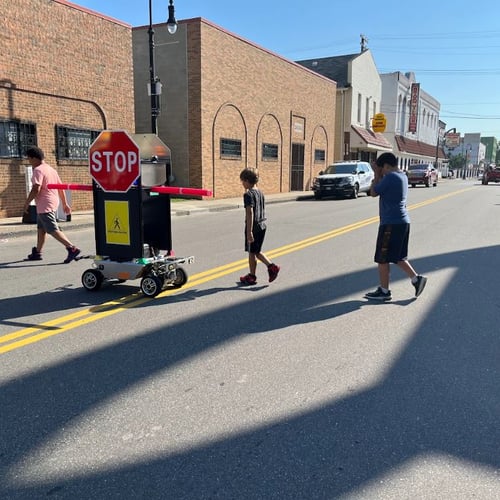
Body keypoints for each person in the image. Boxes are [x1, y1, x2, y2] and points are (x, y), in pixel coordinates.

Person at [365, 152, 427, 301]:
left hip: (390, 223)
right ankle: (416, 279)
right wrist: (380, 173)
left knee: (382, 258)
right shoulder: (403, 176)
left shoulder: (391, 177)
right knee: (398, 257)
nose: (381, 172)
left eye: (382, 169)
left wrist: (376, 174)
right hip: (402, 222)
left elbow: (373, 192)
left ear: (386, 166)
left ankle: (384, 291)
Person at [23, 146, 81, 263]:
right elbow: (61, 188)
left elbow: (35, 189)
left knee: (52, 229)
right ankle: (38, 252)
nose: (29, 162)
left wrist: (27, 203)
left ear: (34, 158)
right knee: (41, 229)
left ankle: (71, 248)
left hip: (45, 204)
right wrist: (64, 203)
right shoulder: (51, 169)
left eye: (29, 159)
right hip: (50, 202)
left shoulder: (38, 170)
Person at [239, 168, 280, 285]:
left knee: (252, 252)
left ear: (247, 181)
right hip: (262, 225)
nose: (242, 184)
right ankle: (271, 267)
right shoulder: (260, 192)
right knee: (256, 251)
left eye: (242, 181)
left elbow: (250, 212)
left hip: (254, 227)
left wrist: (249, 232)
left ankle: (253, 275)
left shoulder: (248, 194)